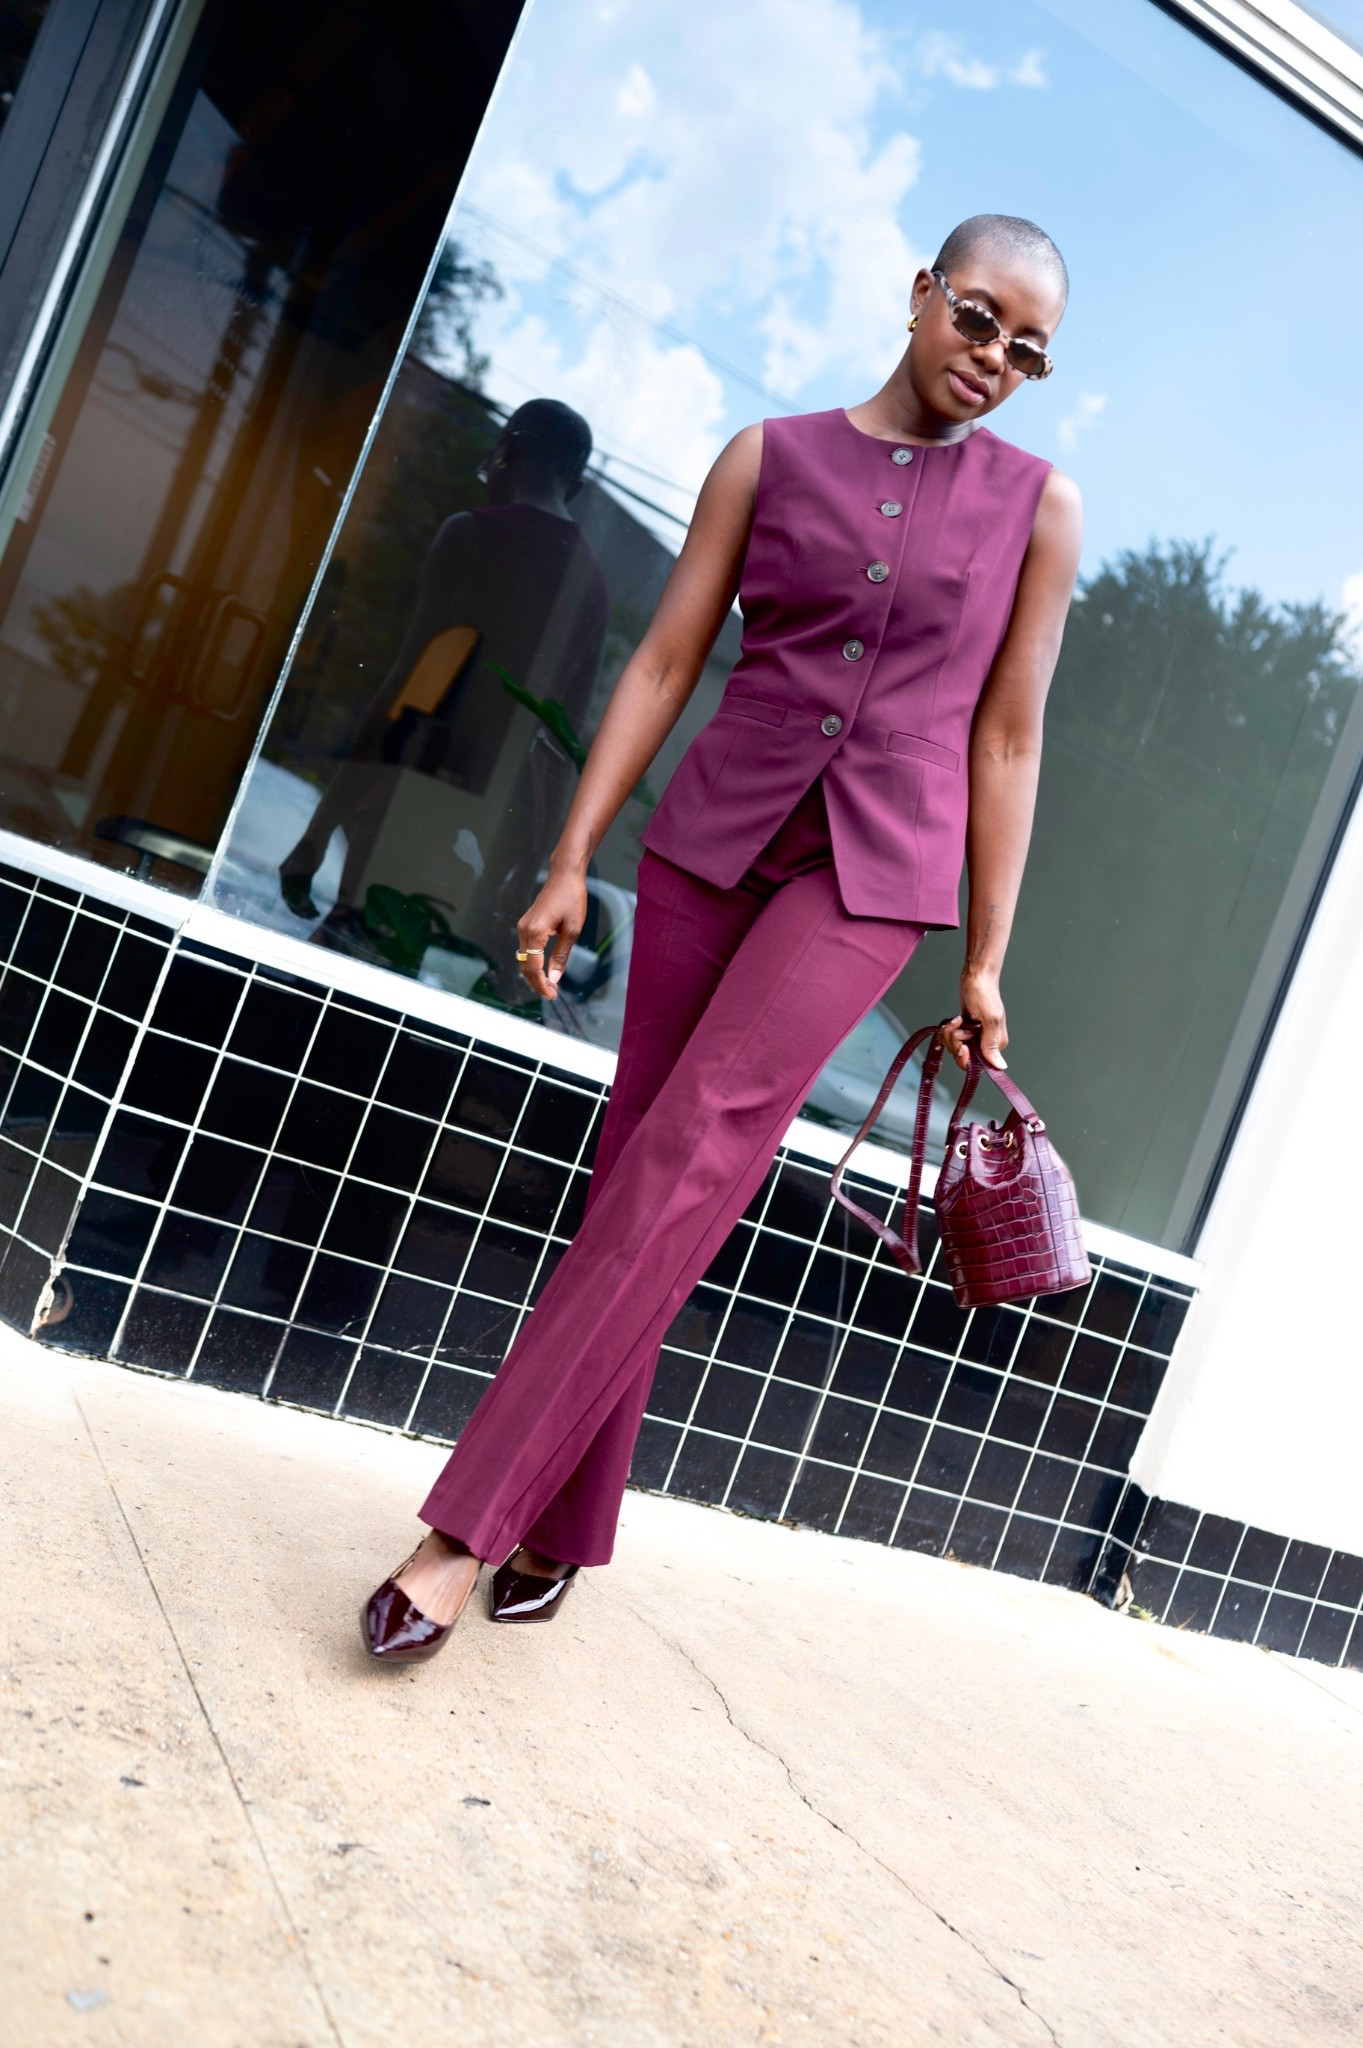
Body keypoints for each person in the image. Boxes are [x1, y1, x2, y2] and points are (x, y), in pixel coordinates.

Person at [363, 214, 1083, 1661]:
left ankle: (463, 1530)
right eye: (976, 317)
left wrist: (985, 959)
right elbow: (666, 658)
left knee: (695, 1147)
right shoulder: (767, 455)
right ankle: (569, 1525)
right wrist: (572, 858)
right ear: (917, 294)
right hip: (710, 847)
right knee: (645, 1160)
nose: (993, 358)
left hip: (869, 882)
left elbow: (1007, 741)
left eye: (1027, 349)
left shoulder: (1038, 507)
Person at [280, 398, 608, 996]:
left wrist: (318, 830)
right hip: (503, 826)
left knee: (341, 957)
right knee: (403, 987)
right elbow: (566, 740)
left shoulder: (475, 534)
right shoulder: (592, 582)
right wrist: (533, 865)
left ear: (507, 451)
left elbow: (409, 681)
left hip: (417, 788)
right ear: (577, 484)